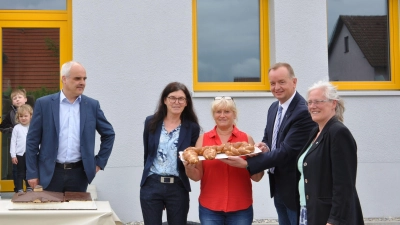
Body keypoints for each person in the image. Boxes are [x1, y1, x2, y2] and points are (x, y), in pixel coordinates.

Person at [221, 62, 316, 225]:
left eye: (281, 82)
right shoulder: (274, 108)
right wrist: (263, 147)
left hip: (295, 189)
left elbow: (286, 152)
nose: (276, 87)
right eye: (272, 83)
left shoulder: (303, 112)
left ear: (294, 82)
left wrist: (247, 163)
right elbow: (269, 139)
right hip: (278, 184)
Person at [25, 61, 115, 192]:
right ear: (64, 79)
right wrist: (32, 172)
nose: (82, 82)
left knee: (76, 212)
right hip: (50, 173)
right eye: (77, 78)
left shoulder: (91, 105)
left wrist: (99, 163)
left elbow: (109, 134)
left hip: (79, 174)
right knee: (51, 212)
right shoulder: (44, 104)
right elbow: (32, 141)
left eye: (84, 79)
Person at [184, 96, 264, 225]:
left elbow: (257, 177)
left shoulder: (246, 140)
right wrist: (188, 169)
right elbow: (197, 176)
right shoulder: (203, 140)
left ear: (234, 114)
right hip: (210, 207)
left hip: (240, 207)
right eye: (218, 111)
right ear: (213, 115)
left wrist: (254, 164)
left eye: (227, 111)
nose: (222, 115)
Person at [296, 81, 364, 225]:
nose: (312, 106)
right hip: (309, 210)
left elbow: (344, 185)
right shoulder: (316, 132)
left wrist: (334, 220)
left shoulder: (338, 133)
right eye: (309, 102)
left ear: (333, 103)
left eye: (318, 102)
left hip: (328, 217)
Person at [140, 82, 200, 225]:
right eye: (172, 97)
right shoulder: (151, 122)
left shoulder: (192, 127)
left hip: (178, 186)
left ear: (186, 103)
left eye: (181, 99)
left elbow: (191, 156)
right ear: (165, 100)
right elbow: (147, 153)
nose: (176, 102)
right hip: (152, 184)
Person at [0, 89, 28, 193]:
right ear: (12, 102)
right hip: (17, 147)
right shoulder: (11, 113)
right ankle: (18, 189)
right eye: (14, 98)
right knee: (17, 170)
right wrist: (14, 130)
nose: (17, 100)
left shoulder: (31, 111)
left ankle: (30, 188)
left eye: (19, 97)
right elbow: (2, 127)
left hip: (29, 147)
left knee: (29, 169)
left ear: (25, 99)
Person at [10, 104, 33, 193]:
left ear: (31, 116)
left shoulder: (33, 127)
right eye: (21, 116)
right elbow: (13, 142)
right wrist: (13, 155)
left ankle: (29, 188)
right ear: (18, 117)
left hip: (31, 154)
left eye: (25, 116)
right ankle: (19, 189)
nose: (23, 118)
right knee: (20, 172)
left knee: (29, 171)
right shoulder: (16, 128)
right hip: (20, 154)